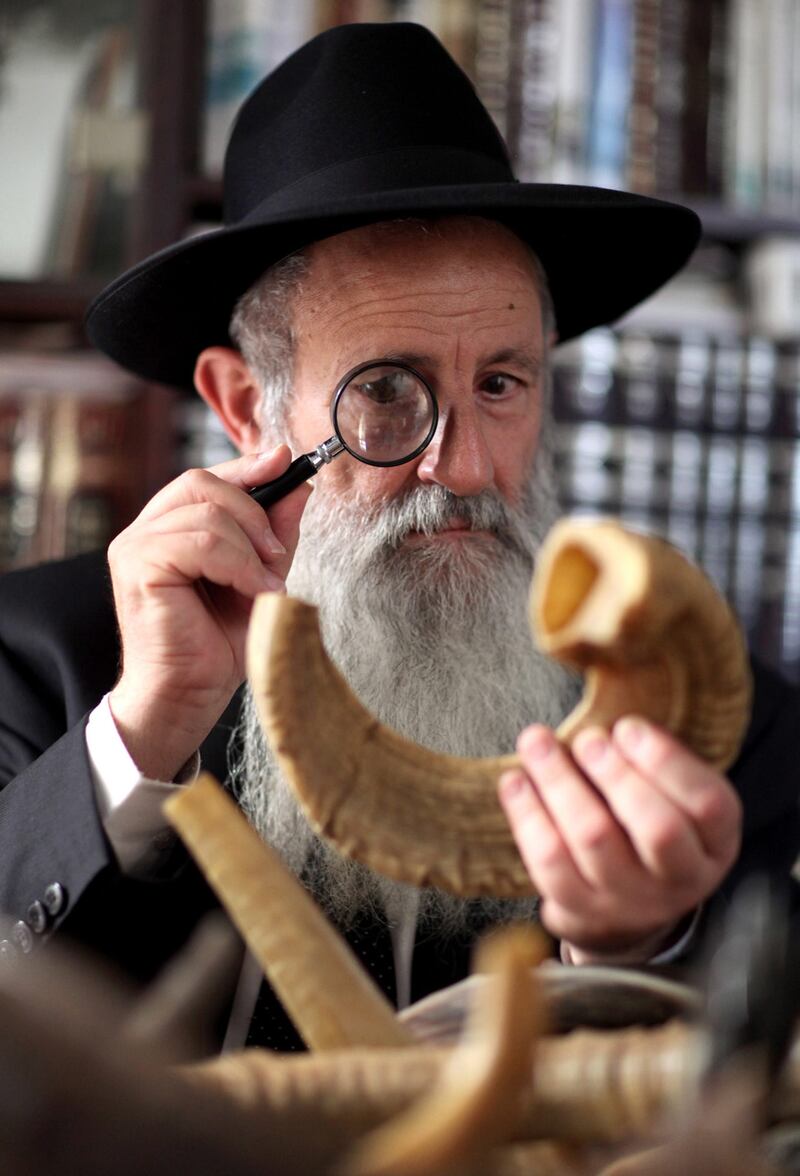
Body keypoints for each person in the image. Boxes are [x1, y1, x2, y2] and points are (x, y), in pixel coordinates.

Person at [0, 22, 797, 1051]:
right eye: (384, 392)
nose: (460, 469)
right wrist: (143, 737)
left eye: (500, 384)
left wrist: (634, 950)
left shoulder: (698, 719)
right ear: (245, 408)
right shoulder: (33, 663)